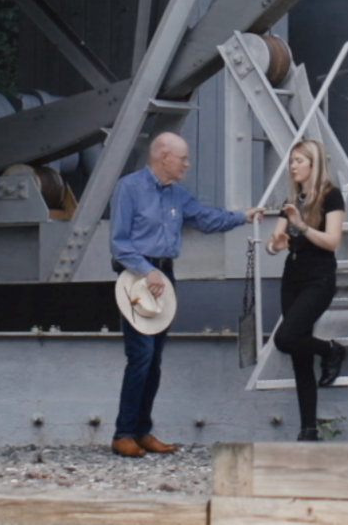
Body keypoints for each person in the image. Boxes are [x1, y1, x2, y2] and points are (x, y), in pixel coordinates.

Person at [109, 131, 263, 457]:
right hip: (137, 278)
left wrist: (242, 216)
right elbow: (120, 243)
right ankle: (124, 433)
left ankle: (140, 430)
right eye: (183, 159)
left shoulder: (177, 195)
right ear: (164, 156)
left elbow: (205, 219)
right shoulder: (129, 188)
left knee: (154, 360)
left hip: (165, 278)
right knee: (141, 357)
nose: (187, 164)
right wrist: (146, 270)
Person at [266, 138, 348, 440]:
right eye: (291, 161)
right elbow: (273, 242)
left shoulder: (331, 197)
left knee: (286, 338)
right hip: (293, 276)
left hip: (319, 277)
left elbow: (332, 241)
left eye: (299, 161)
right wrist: (276, 244)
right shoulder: (291, 201)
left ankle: (332, 350)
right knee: (298, 354)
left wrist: (301, 226)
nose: (293, 166)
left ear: (314, 165)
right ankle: (308, 430)